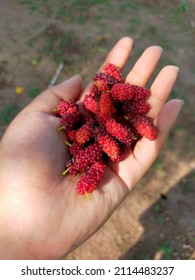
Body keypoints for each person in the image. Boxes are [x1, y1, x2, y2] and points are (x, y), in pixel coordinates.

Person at [0, 37, 183, 259]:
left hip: (106, 125)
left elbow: (111, 123)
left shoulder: (109, 114)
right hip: (93, 138)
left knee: (116, 133)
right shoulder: (86, 132)